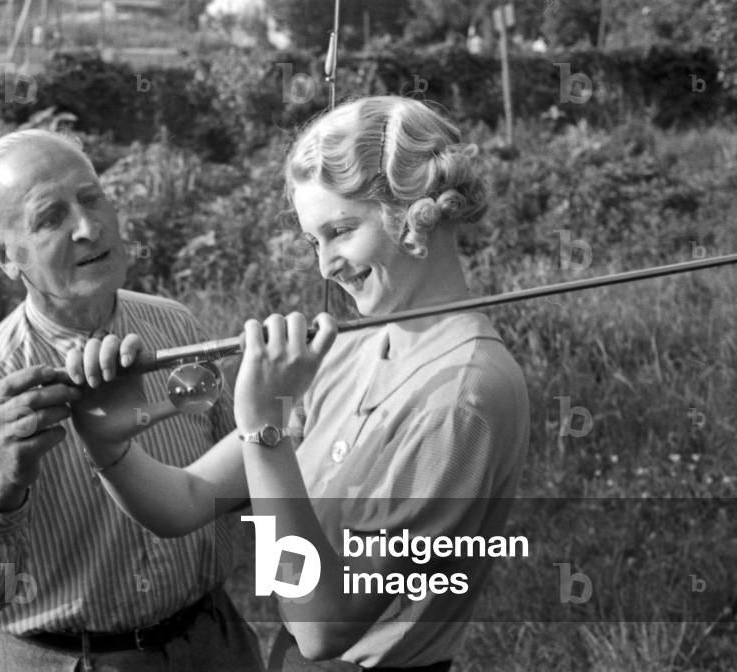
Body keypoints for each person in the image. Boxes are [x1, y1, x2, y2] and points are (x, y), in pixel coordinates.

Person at [64, 96, 531, 671]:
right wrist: (108, 444)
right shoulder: (348, 351)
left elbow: (320, 625)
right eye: (315, 241)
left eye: (340, 230)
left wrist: (264, 430)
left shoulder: (464, 397)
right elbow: (183, 502)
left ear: (416, 216)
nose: (325, 266)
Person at [0, 129, 263, 672]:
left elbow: (242, 484)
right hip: (64, 662)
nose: (88, 227)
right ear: (3, 256)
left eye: (91, 197)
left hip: (209, 645)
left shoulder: (175, 328)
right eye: (51, 218)